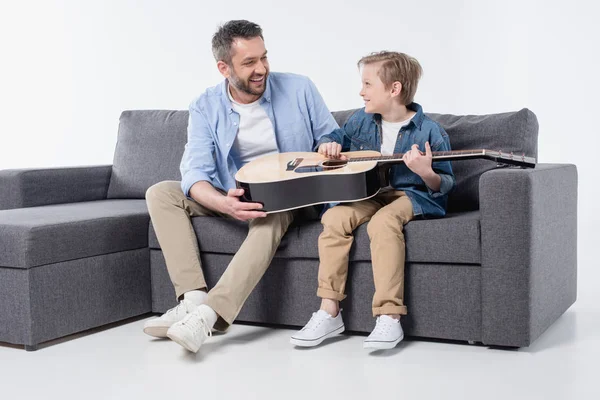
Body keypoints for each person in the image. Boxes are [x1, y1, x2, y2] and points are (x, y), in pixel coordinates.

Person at [144, 20, 338, 353]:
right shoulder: (205, 106)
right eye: (249, 62)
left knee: (271, 214)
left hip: (293, 194)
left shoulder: (300, 88)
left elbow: (330, 135)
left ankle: (207, 317)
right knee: (161, 192)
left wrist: (327, 146)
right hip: (235, 192)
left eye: (264, 57)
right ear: (224, 68)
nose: (261, 68)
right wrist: (225, 204)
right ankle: (192, 299)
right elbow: (195, 171)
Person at [290, 51, 455, 350]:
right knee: (335, 217)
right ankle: (329, 311)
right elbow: (335, 136)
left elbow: (444, 185)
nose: (361, 91)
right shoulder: (360, 120)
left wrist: (425, 171)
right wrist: (329, 144)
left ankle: (390, 317)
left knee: (383, 222)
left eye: (367, 84)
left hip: (412, 194)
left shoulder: (430, 131)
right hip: (370, 193)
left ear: (394, 89)